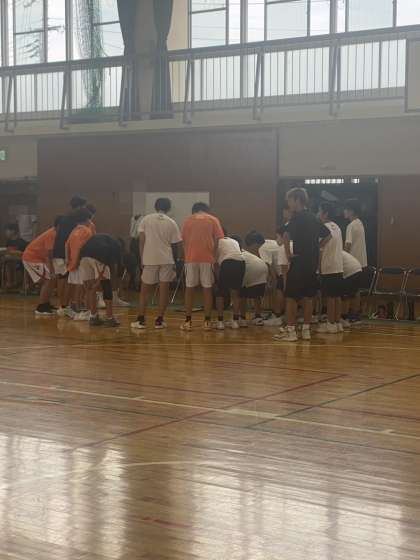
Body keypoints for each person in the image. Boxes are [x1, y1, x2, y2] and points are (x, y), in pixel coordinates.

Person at [276, 188, 331, 342]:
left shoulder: (296, 217)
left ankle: (291, 331)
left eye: (289, 200)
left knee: (291, 297)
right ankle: (306, 330)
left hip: (299, 261)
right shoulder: (313, 217)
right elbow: (328, 235)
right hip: (312, 263)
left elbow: (284, 235)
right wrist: (317, 247)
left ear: (297, 200)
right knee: (308, 297)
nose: (288, 203)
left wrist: (288, 254)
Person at [131, 198, 182, 330]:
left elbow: (141, 241)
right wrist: (175, 262)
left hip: (150, 259)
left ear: (155, 206)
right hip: (167, 260)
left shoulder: (146, 219)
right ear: (169, 208)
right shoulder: (172, 222)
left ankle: (141, 320)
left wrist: (142, 259)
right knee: (164, 290)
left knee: (145, 291)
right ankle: (159, 320)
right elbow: (176, 245)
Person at [181, 202, 224, 331]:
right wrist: (213, 256)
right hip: (207, 258)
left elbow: (183, 241)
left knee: (189, 289)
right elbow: (218, 240)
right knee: (207, 289)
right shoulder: (213, 219)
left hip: (190, 258)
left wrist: (186, 255)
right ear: (206, 210)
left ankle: (188, 321)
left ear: (194, 210)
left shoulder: (187, 220)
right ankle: (207, 321)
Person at [53, 195, 87, 313]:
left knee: (64, 279)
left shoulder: (66, 218)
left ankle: (63, 306)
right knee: (66, 280)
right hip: (63, 253)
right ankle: (64, 306)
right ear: (80, 207)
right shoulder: (73, 220)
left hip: (60, 252)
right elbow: (70, 241)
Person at [244, 230, 287, 326]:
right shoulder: (269, 242)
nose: (252, 250)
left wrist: (271, 283)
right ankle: (279, 313)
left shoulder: (262, 248)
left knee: (279, 290)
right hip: (287, 268)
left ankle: (277, 315)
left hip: (282, 271)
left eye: (250, 246)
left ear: (255, 244)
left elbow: (270, 269)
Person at [79, 234, 122, 327]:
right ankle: (110, 318)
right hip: (98, 257)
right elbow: (113, 266)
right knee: (106, 286)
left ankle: (93, 317)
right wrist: (100, 279)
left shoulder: (103, 238)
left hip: (83, 257)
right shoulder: (116, 248)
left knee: (90, 288)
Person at [22, 218, 60, 315]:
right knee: (48, 280)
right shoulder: (52, 234)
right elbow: (49, 254)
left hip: (38, 259)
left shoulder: (55, 233)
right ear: (59, 225)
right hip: (31, 258)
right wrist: (52, 270)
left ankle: (46, 303)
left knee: (51, 280)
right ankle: (41, 307)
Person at [318, 202, 344, 334]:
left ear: (325, 213)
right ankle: (337, 323)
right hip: (339, 265)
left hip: (328, 265)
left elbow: (320, 248)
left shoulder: (324, 228)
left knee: (330, 297)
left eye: (319, 211)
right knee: (337, 296)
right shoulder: (337, 227)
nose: (318, 214)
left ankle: (330, 324)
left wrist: (319, 267)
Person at [232, 235, 269, 327]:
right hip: (262, 268)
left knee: (241, 295)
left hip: (252, 270)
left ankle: (242, 318)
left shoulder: (235, 254)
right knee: (256, 296)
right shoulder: (245, 252)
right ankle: (258, 317)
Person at [65, 208, 94, 319]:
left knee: (76, 284)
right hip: (80, 261)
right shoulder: (87, 231)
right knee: (81, 285)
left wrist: (68, 259)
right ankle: (77, 307)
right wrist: (77, 261)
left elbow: (66, 245)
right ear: (87, 219)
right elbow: (81, 247)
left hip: (73, 261)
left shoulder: (74, 230)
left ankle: (74, 305)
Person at [214, 231, 245, 330]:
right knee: (235, 293)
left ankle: (220, 322)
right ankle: (235, 322)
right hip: (241, 263)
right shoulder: (233, 240)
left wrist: (217, 280)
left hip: (227, 262)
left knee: (220, 293)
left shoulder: (216, 242)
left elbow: (215, 264)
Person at [344, 199, 367, 322]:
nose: (344, 211)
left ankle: (349, 314)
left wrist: (342, 258)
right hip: (361, 262)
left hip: (352, 263)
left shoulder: (351, 225)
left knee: (349, 291)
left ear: (351, 211)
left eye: (346, 209)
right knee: (356, 290)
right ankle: (356, 314)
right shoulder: (360, 223)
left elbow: (348, 244)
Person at [341, 250, 363, 329]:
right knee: (354, 293)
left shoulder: (330, 252)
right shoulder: (339, 251)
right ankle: (355, 317)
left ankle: (344, 319)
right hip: (358, 268)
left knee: (346, 296)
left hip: (350, 271)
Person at [3, 224, 27, 290]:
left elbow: (24, 254)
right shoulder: (8, 242)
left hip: (21, 263)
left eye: (7, 230)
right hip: (10, 261)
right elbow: (6, 252)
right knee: (7, 263)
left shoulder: (22, 242)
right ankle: (9, 283)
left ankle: (19, 283)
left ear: (13, 231)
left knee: (14, 264)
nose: (5, 232)